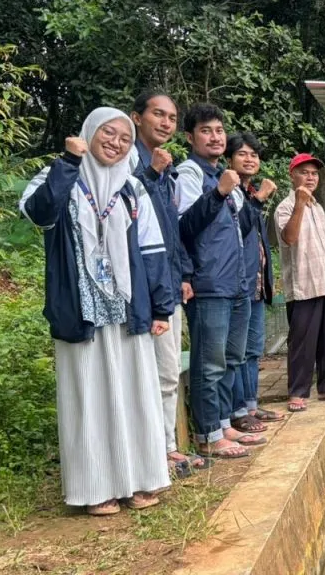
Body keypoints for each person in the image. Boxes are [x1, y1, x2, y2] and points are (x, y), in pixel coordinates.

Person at [19, 107, 174, 515]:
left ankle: (141, 480)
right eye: (108, 133)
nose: (116, 143)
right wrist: (69, 163)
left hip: (127, 307)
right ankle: (97, 489)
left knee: (136, 392)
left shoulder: (132, 188)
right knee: (87, 395)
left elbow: (153, 249)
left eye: (124, 138)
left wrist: (161, 307)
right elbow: (40, 212)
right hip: (79, 308)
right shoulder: (59, 175)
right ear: (89, 133)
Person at [127, 91, 210, 477]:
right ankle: (150, 452)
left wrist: (184, 274)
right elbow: (124, 211)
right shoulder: (130, 162)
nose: (165, 123)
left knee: (167, 369)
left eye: (172, 117)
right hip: (139, 286)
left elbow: (170, 229)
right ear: (136, 117)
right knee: (143, 372)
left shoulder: (164, 166)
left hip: (169, 281)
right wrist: (151, 174)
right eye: (158, 114)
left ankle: (167, 448)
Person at [176, 103, 264, 459]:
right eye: (206, 131)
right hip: (209, 284)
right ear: (190, 137)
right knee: (209, 364)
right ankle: (208, 434)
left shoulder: (223, 177)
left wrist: (247, 199)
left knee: (231, 359)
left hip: (237, 284)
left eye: (219, 130)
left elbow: (239, 231)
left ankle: (224, 423)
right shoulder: (189, 174)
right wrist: (219, 194)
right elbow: (183, 227)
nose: (215, 137)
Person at [276, 153, 325, 412]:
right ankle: (297, 392)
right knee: (302, 342)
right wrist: (299, 204)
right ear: (292, 175)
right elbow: (289, 238)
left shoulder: (318, 208)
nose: (310, 178)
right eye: (304, 172)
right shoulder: (285, 207)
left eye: (314, 173)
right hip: (303, 287)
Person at [224, 132, 284, 431]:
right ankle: (237, 411)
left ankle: (251, 405)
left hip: (257, 286)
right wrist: (259, 199)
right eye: (242, 154)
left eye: (254, 155)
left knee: (252, 350)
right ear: (229, 159)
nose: (249, 159)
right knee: (235, 352)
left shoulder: (248, 192)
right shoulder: (230, 192)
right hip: (238, 284)